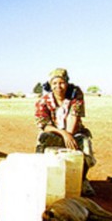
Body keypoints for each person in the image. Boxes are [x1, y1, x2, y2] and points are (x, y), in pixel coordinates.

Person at [35, 68, 97, 196]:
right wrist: (63, 134)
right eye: (54, 83)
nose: (58, 86)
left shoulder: (76, 95)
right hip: (55, 132)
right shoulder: (44, 100)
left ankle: (82, 180)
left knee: (85, 145)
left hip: (74, 131)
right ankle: (41, 178)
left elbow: (74, 116)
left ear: (67, 83)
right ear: (50, 85)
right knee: (42, 142)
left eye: (61, 82)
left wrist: (69, 136)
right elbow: (44, 124)